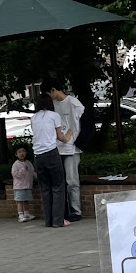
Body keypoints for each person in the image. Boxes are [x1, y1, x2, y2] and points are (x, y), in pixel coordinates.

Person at [43, 77, 86, 222]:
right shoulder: (52, 106)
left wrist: (77, 140)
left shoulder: (74, 103)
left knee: (72, 180)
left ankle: (75, 211)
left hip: (72, 147)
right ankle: (63, 212)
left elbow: (82, 123)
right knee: (59, 182)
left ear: (53, 90)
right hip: (56, 147)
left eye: (48, 93)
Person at [30, 93, 69, 227]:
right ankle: (58, 220)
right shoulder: (54, 116)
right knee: (58, 187)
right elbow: (60, 136)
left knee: (45, 188)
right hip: (51, 153)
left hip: (37, 156)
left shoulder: (33, 118)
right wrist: (69, 134)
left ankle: (48, 220)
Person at [11, 145, 37, 222]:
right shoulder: (16, 164)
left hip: (28, 185)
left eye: (23, 151)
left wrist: (37, 176)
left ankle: (26, 213)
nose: (22, 153)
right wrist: (22, 170)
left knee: (26, 200)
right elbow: (15, 174)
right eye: (19, 152)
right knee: (19, 201)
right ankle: (20, 215)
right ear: (16, 154)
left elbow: (32, 172)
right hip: (19, 186)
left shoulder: (28, 163)